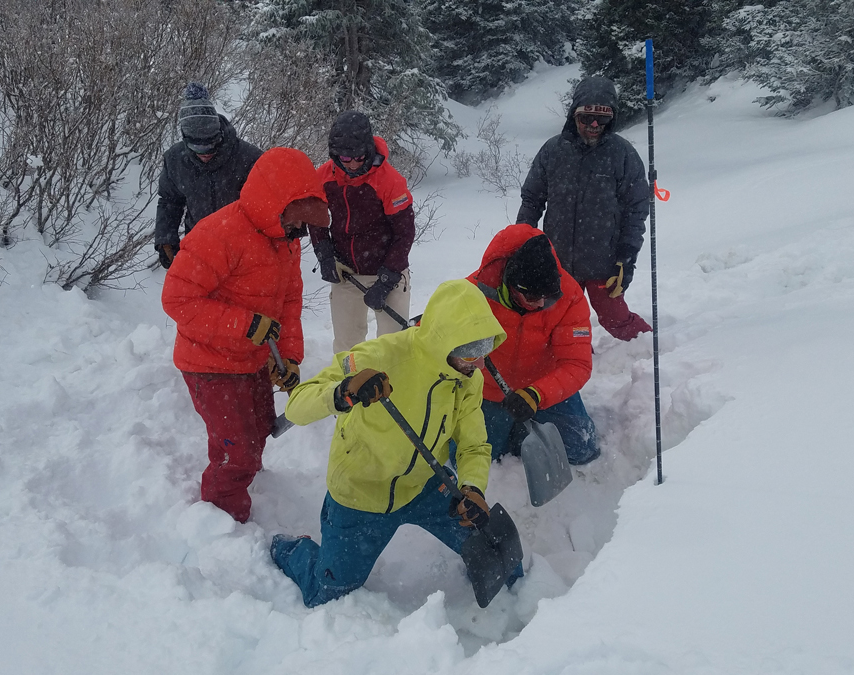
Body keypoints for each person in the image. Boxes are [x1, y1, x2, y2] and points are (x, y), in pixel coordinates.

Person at [270, 280, 507, 608]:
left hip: (427, 485)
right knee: (326, 595)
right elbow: (298, 404)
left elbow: (474, 445)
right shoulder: (380, 356)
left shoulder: (467, 378)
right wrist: (343, 392)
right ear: (443, 342)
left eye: (484, 351)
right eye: (471, 353)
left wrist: (474, 488)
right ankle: (296, 550)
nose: (479, 364)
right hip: (361, 493)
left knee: (503, 561)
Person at [161, 147, 329, 523]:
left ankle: (244, 473)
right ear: (272, 204)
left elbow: (288, 303)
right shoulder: (219, 234)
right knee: (235, 451)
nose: (300, 232)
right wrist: (247, 325)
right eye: (295, 221)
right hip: (209, 363)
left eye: (306, 224)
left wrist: (288, 359)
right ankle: (223, 520)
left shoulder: (286, 241)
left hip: (250, 358)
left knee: (257, 429)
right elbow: (178, 299)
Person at [517, 76, 652, 342]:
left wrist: (626, 258)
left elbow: (636, 209)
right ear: (573, 115)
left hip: (604, 259)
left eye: (601, 119)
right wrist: (523, 244)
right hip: (558, 261)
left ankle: (648, 348)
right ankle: (573, 362)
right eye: (586, 117)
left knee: (614, 317)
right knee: (557, 321)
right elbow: (532, 199)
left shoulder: (622, 154)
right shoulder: (553, 151)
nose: (593, 125)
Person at [467, 224, 599, 464]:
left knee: (583, 448)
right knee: (475, 460)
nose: (540, 305)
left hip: (543, 385)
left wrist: (537, 394)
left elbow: (577, 364)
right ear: (511, 285)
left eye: (547, 297)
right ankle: (513, 431)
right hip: (490, 392)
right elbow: (434, 337)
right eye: (531, 297)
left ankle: (520, 429)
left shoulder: (569, 296)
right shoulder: (471, 292)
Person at [309, 111, 415, 354]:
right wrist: (325, 255)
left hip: (389, 271)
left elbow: (405, 234)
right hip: (346, 272)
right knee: (347, 346)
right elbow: (315, 221)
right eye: (345, 158)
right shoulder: (323, 177)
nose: (353, 164)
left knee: (392, 347)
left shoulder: (390, 181)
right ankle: (348, 389)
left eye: (359, 157)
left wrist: (387, 280)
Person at [153, 82, 263, 269]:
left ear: (219, 134)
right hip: (199, 245)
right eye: (197, 146)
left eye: (210, 144)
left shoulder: (248, 157)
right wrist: (166, 239)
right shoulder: (175, 160)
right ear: (185, 139)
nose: (205, 152)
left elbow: (266, 204)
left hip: (245, 249)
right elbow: (170, 201)